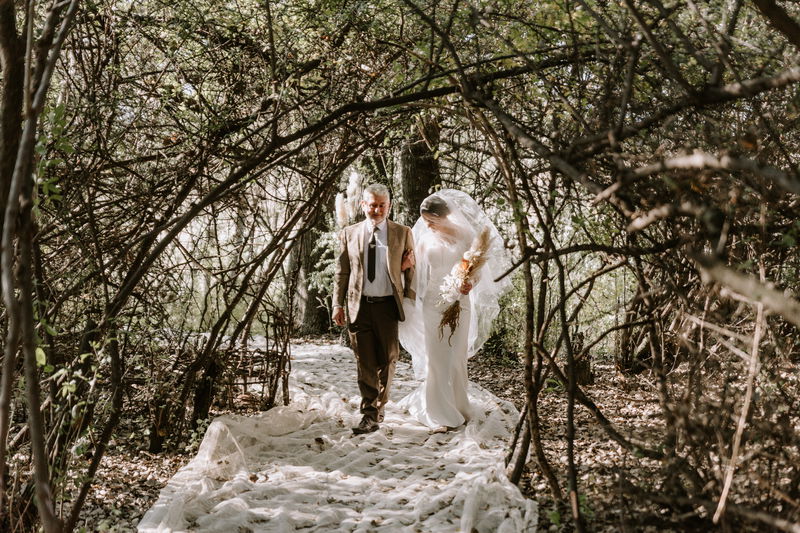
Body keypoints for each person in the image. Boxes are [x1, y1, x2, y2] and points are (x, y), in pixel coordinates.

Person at [398, 189, 511, 430]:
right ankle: (437, 410)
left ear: (444, 216)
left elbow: (477, 269)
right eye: (424, 220)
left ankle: (459, 405)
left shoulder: (466, 235)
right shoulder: (424, 239)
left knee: (457, 356)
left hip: (460, 300)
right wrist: (407, 285)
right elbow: (415, 273)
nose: (427, 225)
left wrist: (470, 283)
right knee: (437, 356)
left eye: (431, 220)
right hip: (432, 303)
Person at [333, 184, 416, 435]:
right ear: (363, 205)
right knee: (365, 362)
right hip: (359, 306)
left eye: (382, 205)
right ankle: (369, 413)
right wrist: (337, 304)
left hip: (388, 306)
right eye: (372, 205)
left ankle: (380, 405)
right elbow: (342, 271)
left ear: (389, 206)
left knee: (389, 359)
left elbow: (411, 270)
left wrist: (410, 301)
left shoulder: (402, 232)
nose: (377, 210)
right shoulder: (349, 233)